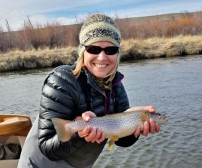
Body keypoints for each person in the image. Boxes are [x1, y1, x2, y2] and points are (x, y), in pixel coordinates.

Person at [18, 13, 161, 168]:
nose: (102, 57)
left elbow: (120, 140)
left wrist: (134, 128)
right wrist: (80, 133)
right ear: (82, 51)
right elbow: (48, 148)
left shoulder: (116, 84)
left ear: (118, 54)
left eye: (111, 50)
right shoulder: (61, 80)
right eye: (94, 49)